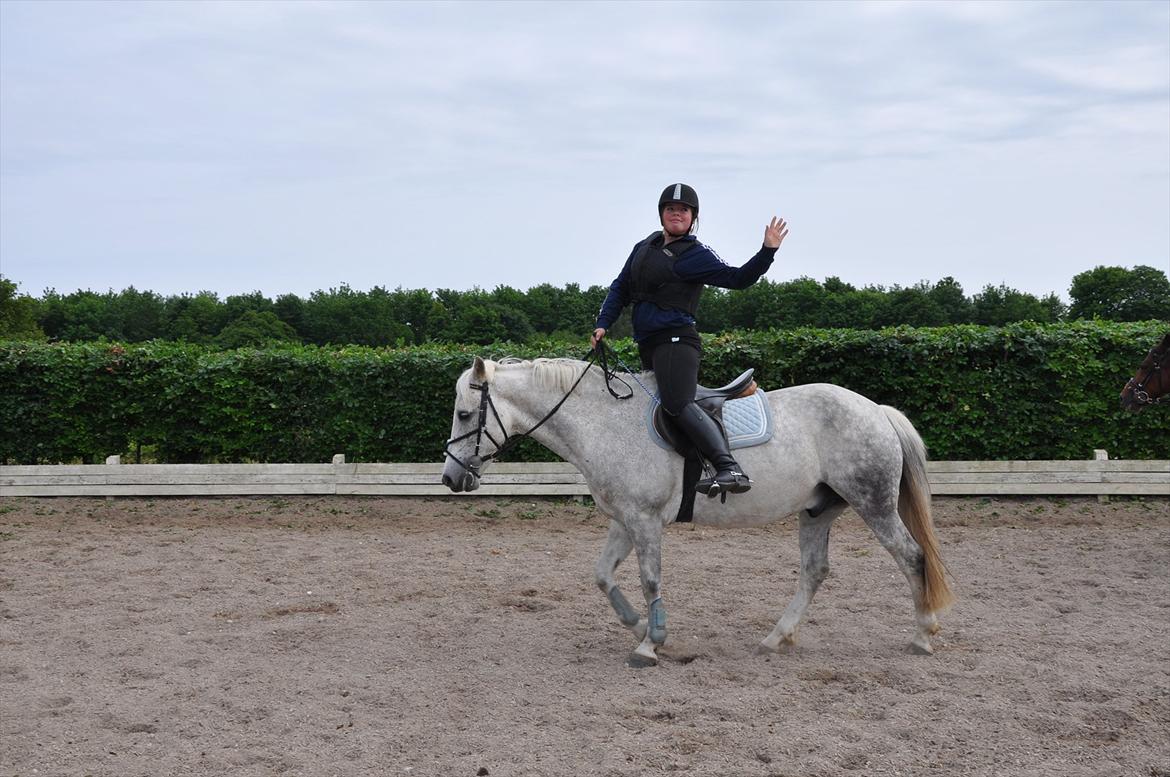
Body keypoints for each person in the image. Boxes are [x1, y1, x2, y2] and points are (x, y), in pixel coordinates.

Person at [590, 183, 788, 497]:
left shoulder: (696, 255)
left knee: (677, 403)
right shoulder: (643, 247)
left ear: (693, 217)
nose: (676, 214)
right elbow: (620, 288)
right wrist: (603, 324)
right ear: (661, 214)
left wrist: (767, 252)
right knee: (653, 408)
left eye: (683, 210)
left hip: (677, 341)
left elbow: (737, 278)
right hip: (648, 343)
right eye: (670, 209)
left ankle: (729, 467)